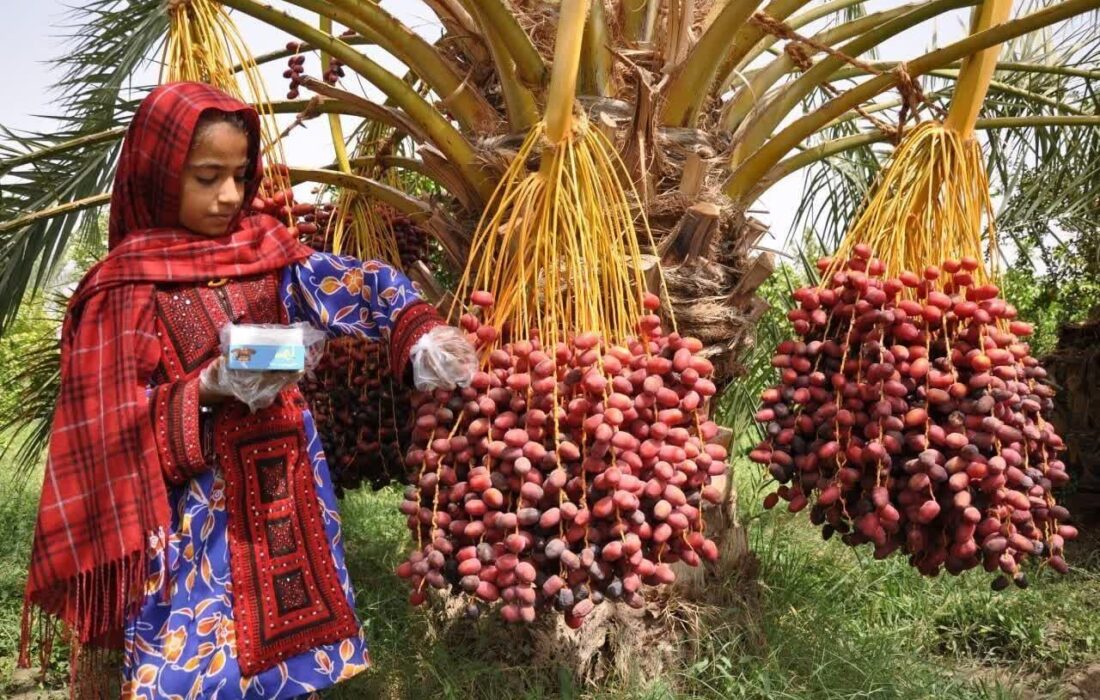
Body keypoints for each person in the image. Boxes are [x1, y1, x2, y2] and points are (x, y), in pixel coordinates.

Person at [19, 81, 476, 699]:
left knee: (289, 661)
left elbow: (359, 283)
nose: (229, 196)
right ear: (158, 174)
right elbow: (109, 428)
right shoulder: (121, 290)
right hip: (191, 511)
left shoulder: (267, 251)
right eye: (206, 177)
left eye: (238, 174)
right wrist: (204, 389)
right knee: (186, 667)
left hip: (287, 486)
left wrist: (417, 332)